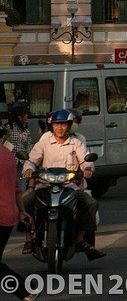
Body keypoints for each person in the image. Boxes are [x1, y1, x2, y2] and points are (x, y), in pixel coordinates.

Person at [21, 109, 103, 260]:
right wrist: (28, 169)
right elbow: (32, 160)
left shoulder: (76, 142)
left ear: (69, 126)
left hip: (69, 187)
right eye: (57, 124)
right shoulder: (44, 142)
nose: (60, 128)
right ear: (51, 125)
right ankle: (29, 237)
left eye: (63, 124)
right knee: (25, 201)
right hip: (44, 186)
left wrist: (87, 169)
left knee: (90, 203)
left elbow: (86, 160)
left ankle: (80, 239)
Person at [0, 129, 30, 300]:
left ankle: (24, 291)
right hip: (9, 215)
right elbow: (16, 188)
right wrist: (22, 212)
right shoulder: (8, 155)